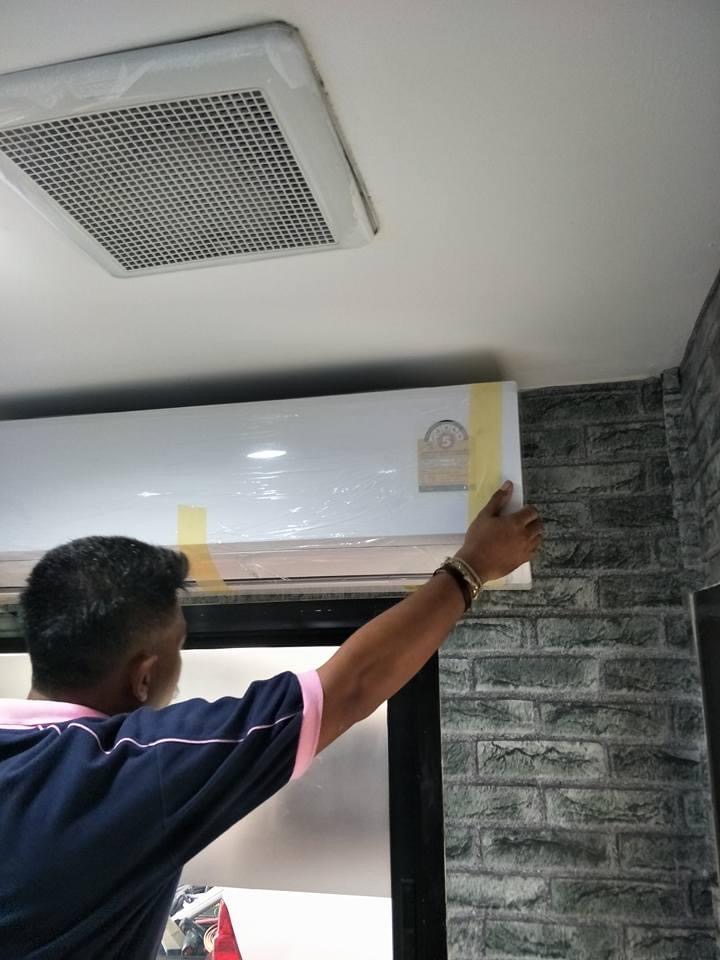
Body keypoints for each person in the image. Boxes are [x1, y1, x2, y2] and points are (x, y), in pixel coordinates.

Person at [0, 481, 542, 959]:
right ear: (144, 678)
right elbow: (350, 686)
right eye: (178, 648)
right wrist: (472, 567)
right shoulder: (128, 770)